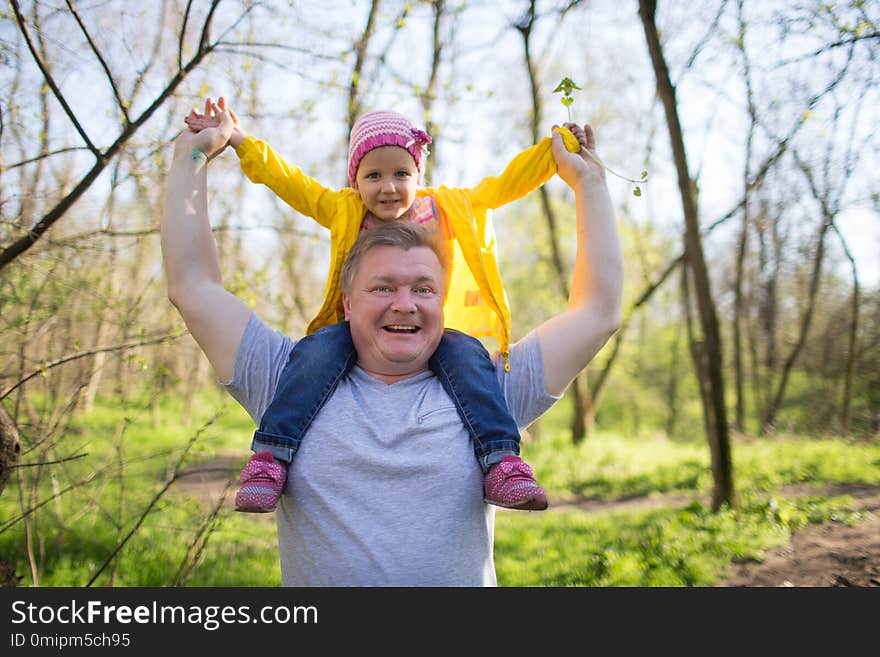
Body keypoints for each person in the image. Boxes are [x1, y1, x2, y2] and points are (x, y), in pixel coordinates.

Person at [161, 100, 623, 586]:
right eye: (383, 287)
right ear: (347, 299)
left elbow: (597, 312)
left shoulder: (486, 391)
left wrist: (587, 180)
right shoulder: (289, 381)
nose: (405, 304)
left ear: (443, 300)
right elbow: (193, 286)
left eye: (424, 288)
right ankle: (268, 460)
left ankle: (502, 467)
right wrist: (193, 158)